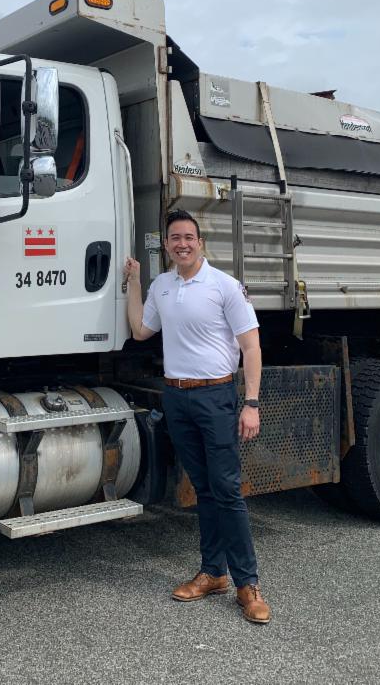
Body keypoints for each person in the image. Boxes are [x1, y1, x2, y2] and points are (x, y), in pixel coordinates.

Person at [124, 209, 271, 624]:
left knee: (226, 490)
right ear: (167, 245)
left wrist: (251, 403)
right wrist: (133, 281)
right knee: (204, 489)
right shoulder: (162, 286)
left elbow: (251, 347)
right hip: (177, 397)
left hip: (215, 396)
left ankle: (248, 584)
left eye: (189, 237)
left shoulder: (224, 286)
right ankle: (212, 573)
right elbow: (140, 330)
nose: (182, 244)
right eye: (175, 238)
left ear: (200, 242)